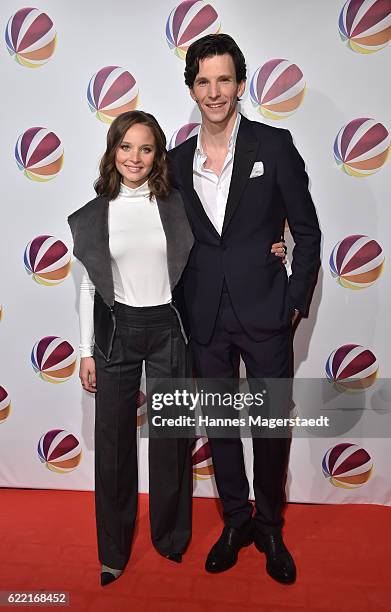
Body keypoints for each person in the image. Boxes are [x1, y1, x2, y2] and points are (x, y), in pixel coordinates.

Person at [168, 34, 321, 584]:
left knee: (270, 424)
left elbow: (306, 230)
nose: (214, 92)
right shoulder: (174, 160)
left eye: (224, 80)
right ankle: (235, 521)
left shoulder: (273, 146)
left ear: (240, 84)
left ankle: (270, 525)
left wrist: (294, 304)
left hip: (266, 314)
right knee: (221, 425)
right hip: (204, 317)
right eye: (203, 81)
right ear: (192, 87)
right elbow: (171, 240)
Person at [67, 111, 196, 586]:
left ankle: (170, 538)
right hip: (115, 333)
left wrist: (272, 248)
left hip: (169, 329)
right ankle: (113, 552)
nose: (134, 158)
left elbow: (215, 255)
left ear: (157, 154)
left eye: (145, 148)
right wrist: (85, 351)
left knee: (172, 440)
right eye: (126, 147)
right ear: (112, 151)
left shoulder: (179, 207)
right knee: (114, 447)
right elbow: (88, 288)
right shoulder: (92, 214)